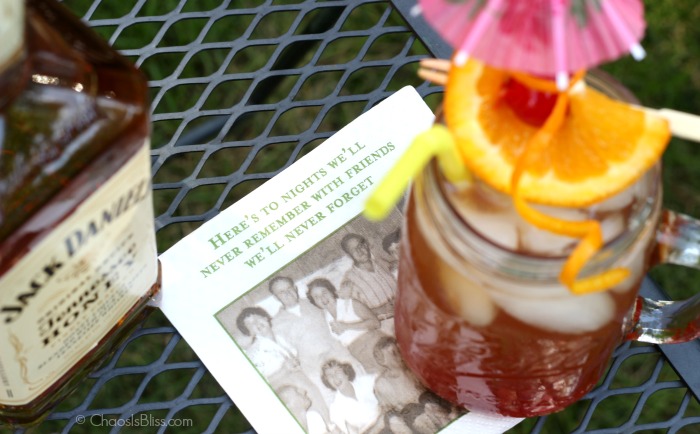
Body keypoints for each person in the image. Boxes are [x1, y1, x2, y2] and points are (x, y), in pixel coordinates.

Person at [236, 306, 329, 424]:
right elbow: (261, 383)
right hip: (289, 393)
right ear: (249, 332)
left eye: (257, 318)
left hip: (302, 381)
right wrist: (285, 369)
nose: (256, 324)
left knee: (320, 407)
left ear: (265, 318)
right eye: (250, 324)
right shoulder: (253, 352)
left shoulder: (280, 338)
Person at [307, 278, 386, 374]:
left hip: (375, 344)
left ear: (332, 291)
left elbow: (375, 323)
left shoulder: (350, 303)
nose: (322, 298)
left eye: (324, 292)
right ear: (314, 302)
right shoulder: (324, 319)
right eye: (316, 297)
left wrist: (347, 326)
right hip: (358, 355)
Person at [338, 233, 395, 320]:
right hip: (387, 323)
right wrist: (379, 310)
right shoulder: (348, 281)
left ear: (366, 245)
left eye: (360, 246)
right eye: (354, 250)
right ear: (349, 255)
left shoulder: (382, 262)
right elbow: (350, 315)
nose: (360, 252)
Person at [320, 359, 381, 434]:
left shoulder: (366, 382)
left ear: (346, 373)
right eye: (329, 376)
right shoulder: (335, 409)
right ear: (328, 382)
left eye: (337, 372)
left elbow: (384, 380)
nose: (334, 377)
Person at [372, 336, 424, 412]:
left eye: (400, 350)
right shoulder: (382, 384)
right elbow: (391, 411)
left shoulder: (415, 370)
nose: (401, 355)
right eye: (394, 353)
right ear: (382, 361)